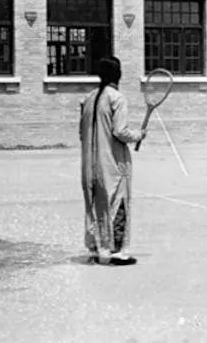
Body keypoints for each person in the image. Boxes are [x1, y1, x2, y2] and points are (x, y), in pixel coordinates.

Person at [79, 56, 146, 266]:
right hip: (113, 163)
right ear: (119, 74)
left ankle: (97, 248)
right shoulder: (117, 98)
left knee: (94, 206)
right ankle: (117, 252)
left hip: (89, 164)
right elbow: (120, 131)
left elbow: (81, 133)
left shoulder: (88, 99)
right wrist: (138, 135)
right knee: (118, 203)